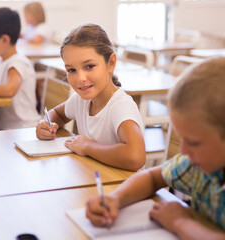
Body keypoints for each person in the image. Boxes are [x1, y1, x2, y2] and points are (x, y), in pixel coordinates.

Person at [86, 57, 225, 239]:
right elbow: (151, 177)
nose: (183, 150)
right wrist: (116, 198)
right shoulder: (196, 165)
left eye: (194, 142)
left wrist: (180, 223)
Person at [35, 24, 145, 171]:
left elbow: (135, 157)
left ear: (110, 63)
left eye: (89, 66)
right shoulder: (81, 100)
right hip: (96, 178)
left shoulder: (120, 106)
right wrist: (46, 125)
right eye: (71, 70)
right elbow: (58, 114)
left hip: (123, 187)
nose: (80, 78)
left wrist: (87, 147)